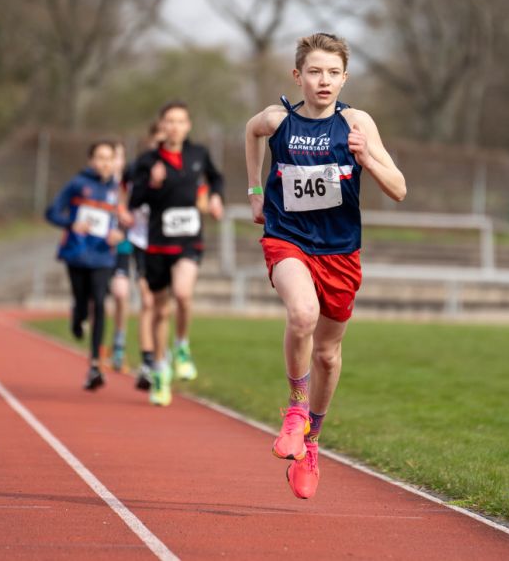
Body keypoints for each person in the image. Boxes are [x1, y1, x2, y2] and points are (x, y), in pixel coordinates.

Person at [244, 33, 407, 499]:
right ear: (298, 76)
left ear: (345, 78)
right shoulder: (277, 121)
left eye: (333, 73)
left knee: (328, 356)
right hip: (287, 240)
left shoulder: (357, 122)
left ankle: (312, 441)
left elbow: (398, 189)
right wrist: (255, 191)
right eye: (314, 71)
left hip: (339, 252)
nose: (324, 80)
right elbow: (251, 131)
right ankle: (295, 408)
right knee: (301, 315)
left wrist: (367, 157)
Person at [129, 101, 225, 406]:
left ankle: (182, 346)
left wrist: (216, 199)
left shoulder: (198, 154)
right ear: (162, 126)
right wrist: (153, 183)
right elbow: (134, 199)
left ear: (188, 126)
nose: (174, 126)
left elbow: (216, 178)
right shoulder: (147, 161)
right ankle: (160, 370)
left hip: (188, 240)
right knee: (160, 311)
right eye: (169, 121)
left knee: (183, 294)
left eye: (180, 121)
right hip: (158, 242)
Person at [45, 140, 124, 390]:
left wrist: (119, 234)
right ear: (91, 160)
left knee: (99, 302)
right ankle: (77, 317)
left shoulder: (116, 189)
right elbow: (51, 212)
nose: (104, 163)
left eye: (109, 158)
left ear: (114, 161)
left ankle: (95, 364)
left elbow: (121, 221)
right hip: (77, 253)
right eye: (100, 158)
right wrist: (71, 224)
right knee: (82, 301)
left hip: (103, 256)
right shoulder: (78, 184)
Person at [121, 123, 163, 391]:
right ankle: (148, 362)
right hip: (141, 241)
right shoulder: (135, 168)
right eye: (157, 141)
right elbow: (121, 193)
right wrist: (121, 212)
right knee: (147, 301)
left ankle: (163, 356)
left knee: (164, 305)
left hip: (170, 243)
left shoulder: (180, 167)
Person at [108, 142, 132, 372]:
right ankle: (96, 349)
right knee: (96, 299)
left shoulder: (128, 186)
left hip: (122, 247)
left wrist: (123, 230)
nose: (116, 161)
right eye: (112, 156)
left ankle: (119, 344)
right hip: (98, 249)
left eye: (119, 156)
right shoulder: (95, 185)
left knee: (121, 293)